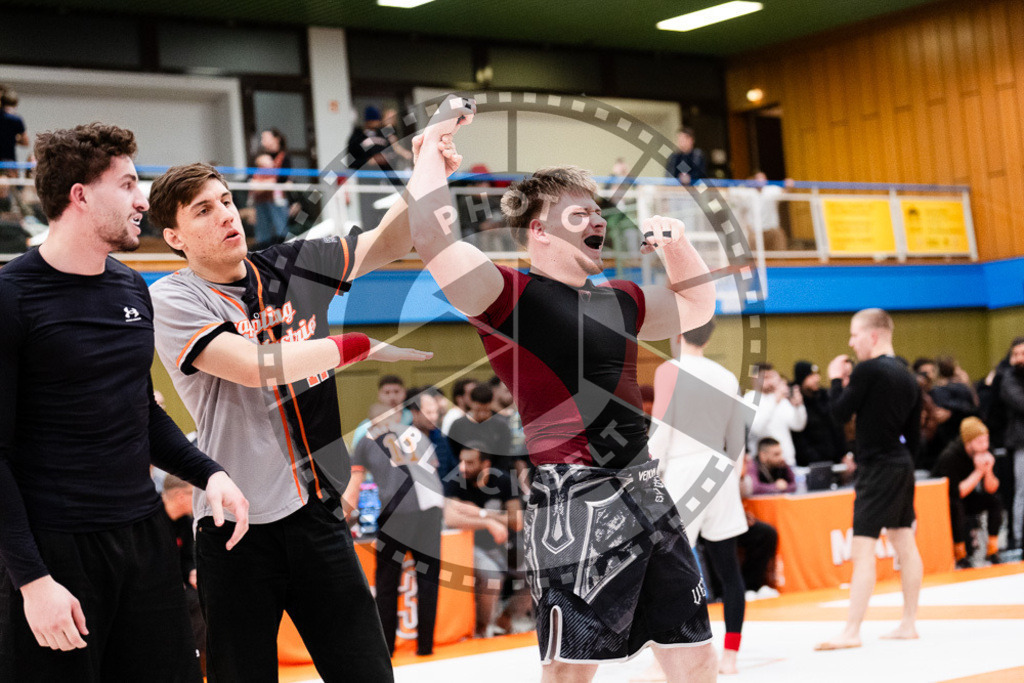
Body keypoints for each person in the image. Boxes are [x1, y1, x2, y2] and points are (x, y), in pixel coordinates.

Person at [409, 96, 719, 681]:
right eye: (577, 215)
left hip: (646, 486)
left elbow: (697, 304)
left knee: (697, 652)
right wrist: (434, 141)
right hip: (574, 498)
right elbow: (430, 235)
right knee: (572, 669)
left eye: (596, 213)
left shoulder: (621, 298)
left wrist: (677, 243)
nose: (596, 222)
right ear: (538, 231)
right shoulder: (509, 298)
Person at [145, 155, 443, 681]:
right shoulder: (172, 297)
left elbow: (392, 241)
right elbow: (255, 367)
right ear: (174, 237)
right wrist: (358, 346)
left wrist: (428, 163)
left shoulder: (291, 263)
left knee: (368, 673)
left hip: (316, 515)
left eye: (228, 202)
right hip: (234, 527)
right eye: (203, 211)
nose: (226, 216)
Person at [0, 123, 248, 682]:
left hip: (143, 538)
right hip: (55, 552)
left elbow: (141, 412)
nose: (143, 200)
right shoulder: (11, 297)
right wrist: (32, 582)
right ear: (80, 195)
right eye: (129, 184)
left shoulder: (131, 289)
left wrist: (210, 474)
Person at [648, 318, 750, 675]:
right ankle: (731, 655)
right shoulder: (725, 375)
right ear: (708, 337)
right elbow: (736, 432)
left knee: (669, 571)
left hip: (683, 470)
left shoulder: (669, 370)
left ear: (677, 336)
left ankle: (672, 660)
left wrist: (648, 473)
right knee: (728, 568)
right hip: (720, 470)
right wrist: (735, 473)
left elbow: (660, 430)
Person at [817, 308, 923, 651]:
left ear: (873, 336)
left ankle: (851, 631)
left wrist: (835, 379)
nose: (851, 342)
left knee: (863, 548)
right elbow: (914, 434)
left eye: (854, 335)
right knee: (904, 540)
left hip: (877, 467)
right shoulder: (908, 375)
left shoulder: (868, 370)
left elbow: (838, 413)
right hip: (900, 463)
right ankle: (908, 623)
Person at [348, 390, 444, 656]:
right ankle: (426, 647)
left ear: (371, 421)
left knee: (387, 581)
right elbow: (435, 471)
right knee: (428, 579)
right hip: (430, 510)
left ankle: (386, 649)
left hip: (396, 514)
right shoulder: (418, 435)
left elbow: (355, 484)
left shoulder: (366, 441)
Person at [443, 442, 527, 637]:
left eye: (470, 462)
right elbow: (451, 518)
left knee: (535, 572)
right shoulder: (455, 480)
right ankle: (481, 630)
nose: (463, 467)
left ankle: (505, 617)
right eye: (462, 461)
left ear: (485, 464)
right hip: (469, 544)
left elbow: (517, 521)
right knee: (492, 577)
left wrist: (480, 513)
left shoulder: (504, 481)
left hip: (501, 544)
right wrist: (490, 523)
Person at [931, 417, 1002, 566]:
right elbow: (956, 493)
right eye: (979, 442)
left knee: (995, 500)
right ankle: (960, 554)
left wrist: (988, 471)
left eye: (986, 440)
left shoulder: (987, 452)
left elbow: (992, 488)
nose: (984, 445)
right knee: (957, 506)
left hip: (969, 497)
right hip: (945, 501)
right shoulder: (950, 456)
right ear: (968, 442)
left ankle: (992, 550)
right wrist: (977, 472)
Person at [161, 475, 207, 673]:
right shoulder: (148, 521)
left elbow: (187, 556)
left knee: (202, 597)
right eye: (195, 494)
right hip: (153, 585)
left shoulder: (185, 522)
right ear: (180, 496)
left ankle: (200, 659)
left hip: (177, 583)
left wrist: (191, 571)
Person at [744, 363, 807, 466]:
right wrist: (775, 401)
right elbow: (757, 428)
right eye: (766, 377)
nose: (771, 381)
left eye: (772, 376)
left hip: (787, 460)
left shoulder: (781, 399)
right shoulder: (750, 398)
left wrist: (798, 406)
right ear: (755, 379)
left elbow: (798, 426)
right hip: (763, 464)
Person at [792, 360, 849, 467]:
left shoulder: (825, 397)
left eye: (817, 375)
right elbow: (799, 438)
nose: (817, 379)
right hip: (810, 464)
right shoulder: (796, 403)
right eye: (811, 376)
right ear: (802, 378)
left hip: (834, 460)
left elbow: (837, 427)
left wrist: (843, 454)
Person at [447, 383, 513, 469]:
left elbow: (504, 457)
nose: (482, 415)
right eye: (478, 410)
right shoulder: (458, 425)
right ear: (471, 403)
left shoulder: (501, 426)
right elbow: (452, 453)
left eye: (486, 410)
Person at [998, 337, 1024, 552]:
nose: (1019, 359)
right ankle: (1018, 539)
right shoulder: (1009, 379)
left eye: (1023, 354)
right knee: (1022, 492)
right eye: (1016, 354)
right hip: (1021, 443)